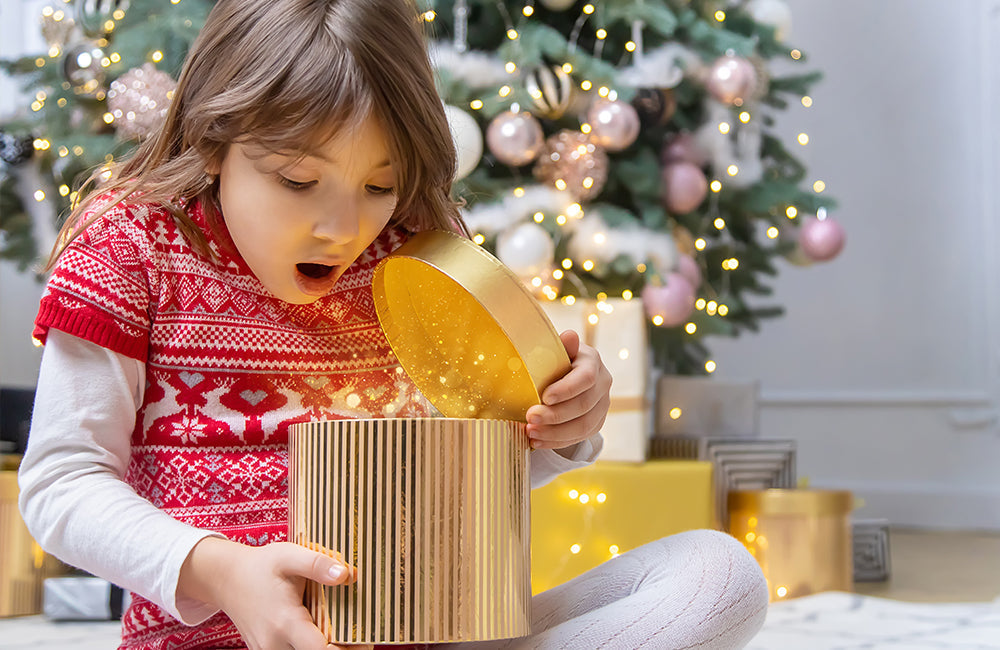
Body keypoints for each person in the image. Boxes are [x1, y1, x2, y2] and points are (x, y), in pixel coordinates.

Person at [18, 0, 767, 648]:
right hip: (223, 641)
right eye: (298, 181)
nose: (341, 227)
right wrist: (222, 571)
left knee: (720, 576)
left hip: (431, 635)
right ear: (216, 140)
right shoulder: (132, 245)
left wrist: (563, 429)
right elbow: (61, 484)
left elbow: (466, 477)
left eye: (379, 185)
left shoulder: (414, 253)